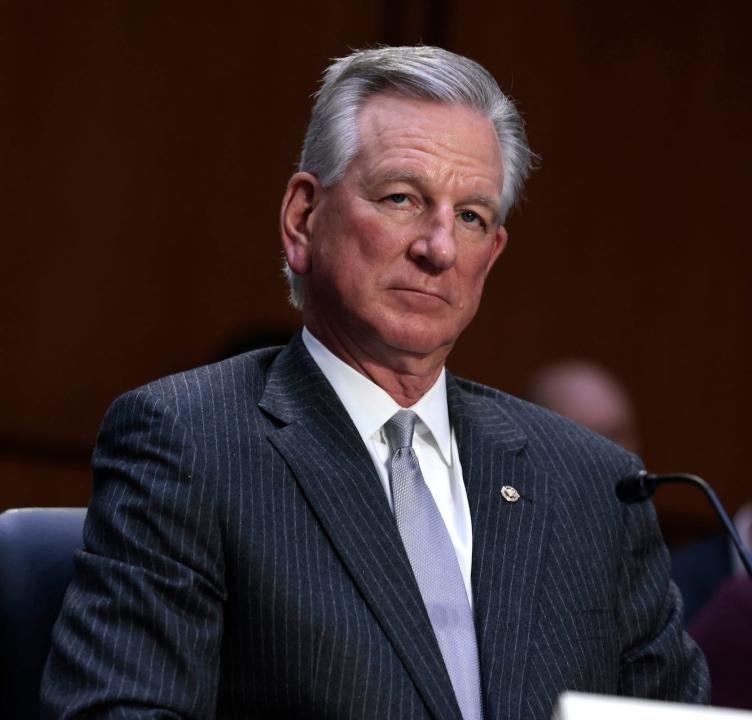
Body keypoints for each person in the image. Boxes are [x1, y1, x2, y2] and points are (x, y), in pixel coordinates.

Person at [41, 46, 708, 720]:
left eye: (471, 217)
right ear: (303, 218)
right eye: (402, 198)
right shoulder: (191, 442)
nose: (439, 248)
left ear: (492, 255)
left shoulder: (594, 485)